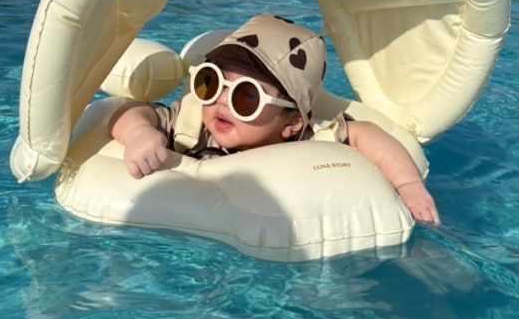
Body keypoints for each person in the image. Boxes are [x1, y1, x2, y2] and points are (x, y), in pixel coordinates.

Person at [109, 12, 440, 224]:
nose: (221, 100)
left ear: (291, 123)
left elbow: (364, 132)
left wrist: (408, 186)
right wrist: (139, 133)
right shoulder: (192, 124)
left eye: (246, 96)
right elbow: (131, 112)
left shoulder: (308, 144)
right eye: (212, 81)